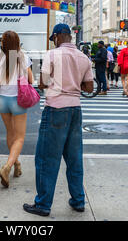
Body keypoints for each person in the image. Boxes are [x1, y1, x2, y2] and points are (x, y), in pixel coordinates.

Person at [23, 24, 94, 217]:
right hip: (75, 110)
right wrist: (73, 81)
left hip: (55, 109)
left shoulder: (52, 55)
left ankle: (43, 204)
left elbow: (43, 82)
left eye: (53, 37)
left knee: (47, 158)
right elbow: (89, 87)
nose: (53, 41)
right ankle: (78, 200)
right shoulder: (84, 57)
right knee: (74, 158)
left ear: (58, 37)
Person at [0, 31, 33, 188]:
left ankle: (16, 165)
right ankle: (7, 167)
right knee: (20, 137)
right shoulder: (23, 56)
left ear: (3, 43)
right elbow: (31, 79)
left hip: (3, 101)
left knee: (10, 134)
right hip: (18, 100)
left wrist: (4, 81)